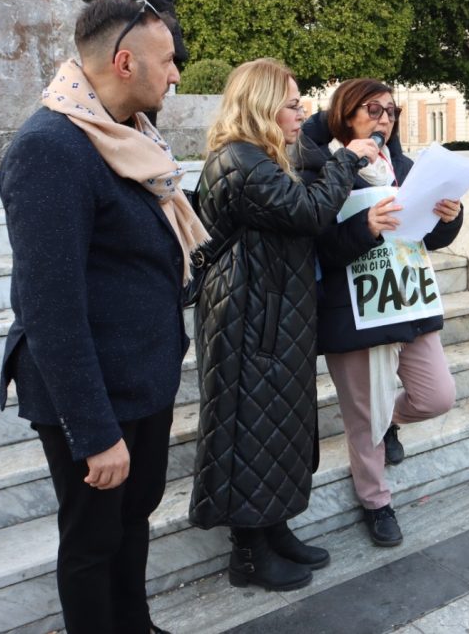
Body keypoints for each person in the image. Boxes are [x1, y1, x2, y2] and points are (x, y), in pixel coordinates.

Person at [0, 0, 205, 634]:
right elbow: (49, 305)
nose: (175, 75)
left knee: (133, 517)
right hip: (94, 395)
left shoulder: (132, 138)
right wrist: (92, 430)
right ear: (123, 63)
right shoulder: (51, 149)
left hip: (141, 375)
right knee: (91, 541)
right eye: (167, 62)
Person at [188, 58, 378, 591]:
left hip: (272, 314)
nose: (303, 113)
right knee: (250, 429)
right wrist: (345, 161)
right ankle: (248, 553)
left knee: (277, 426)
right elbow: (309, 211)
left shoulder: (260, 157)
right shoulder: (238, 161)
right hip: (248, 318)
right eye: (293, 104)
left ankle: (274, 529)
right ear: (262, 107)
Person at [299, 78, 463, 546]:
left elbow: (427, 236)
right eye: (372, 110)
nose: (384, 119)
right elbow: (319, 249)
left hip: (408, 298)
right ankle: (376, 502)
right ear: (346, 115)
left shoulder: (406, 166)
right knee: (362, 418)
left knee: (437, 397)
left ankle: (389, 421)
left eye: (391, 111)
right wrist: (365, 227)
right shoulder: (323, 168)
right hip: (353, 308)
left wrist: (450, 217)